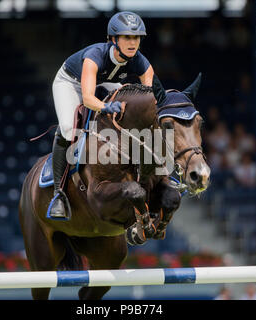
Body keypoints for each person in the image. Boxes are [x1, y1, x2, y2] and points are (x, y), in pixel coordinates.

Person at [49, 11, 154, 219]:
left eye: (136, 38)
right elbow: (88, 98)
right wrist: (106, 108)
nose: (133, 43)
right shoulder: (95, 55)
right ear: (114, 39)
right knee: (69, 130)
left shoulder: (140, 60)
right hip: (71, 82)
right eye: (127, 37)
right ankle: (58, 195)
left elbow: (150, 97)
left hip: (102, 80)